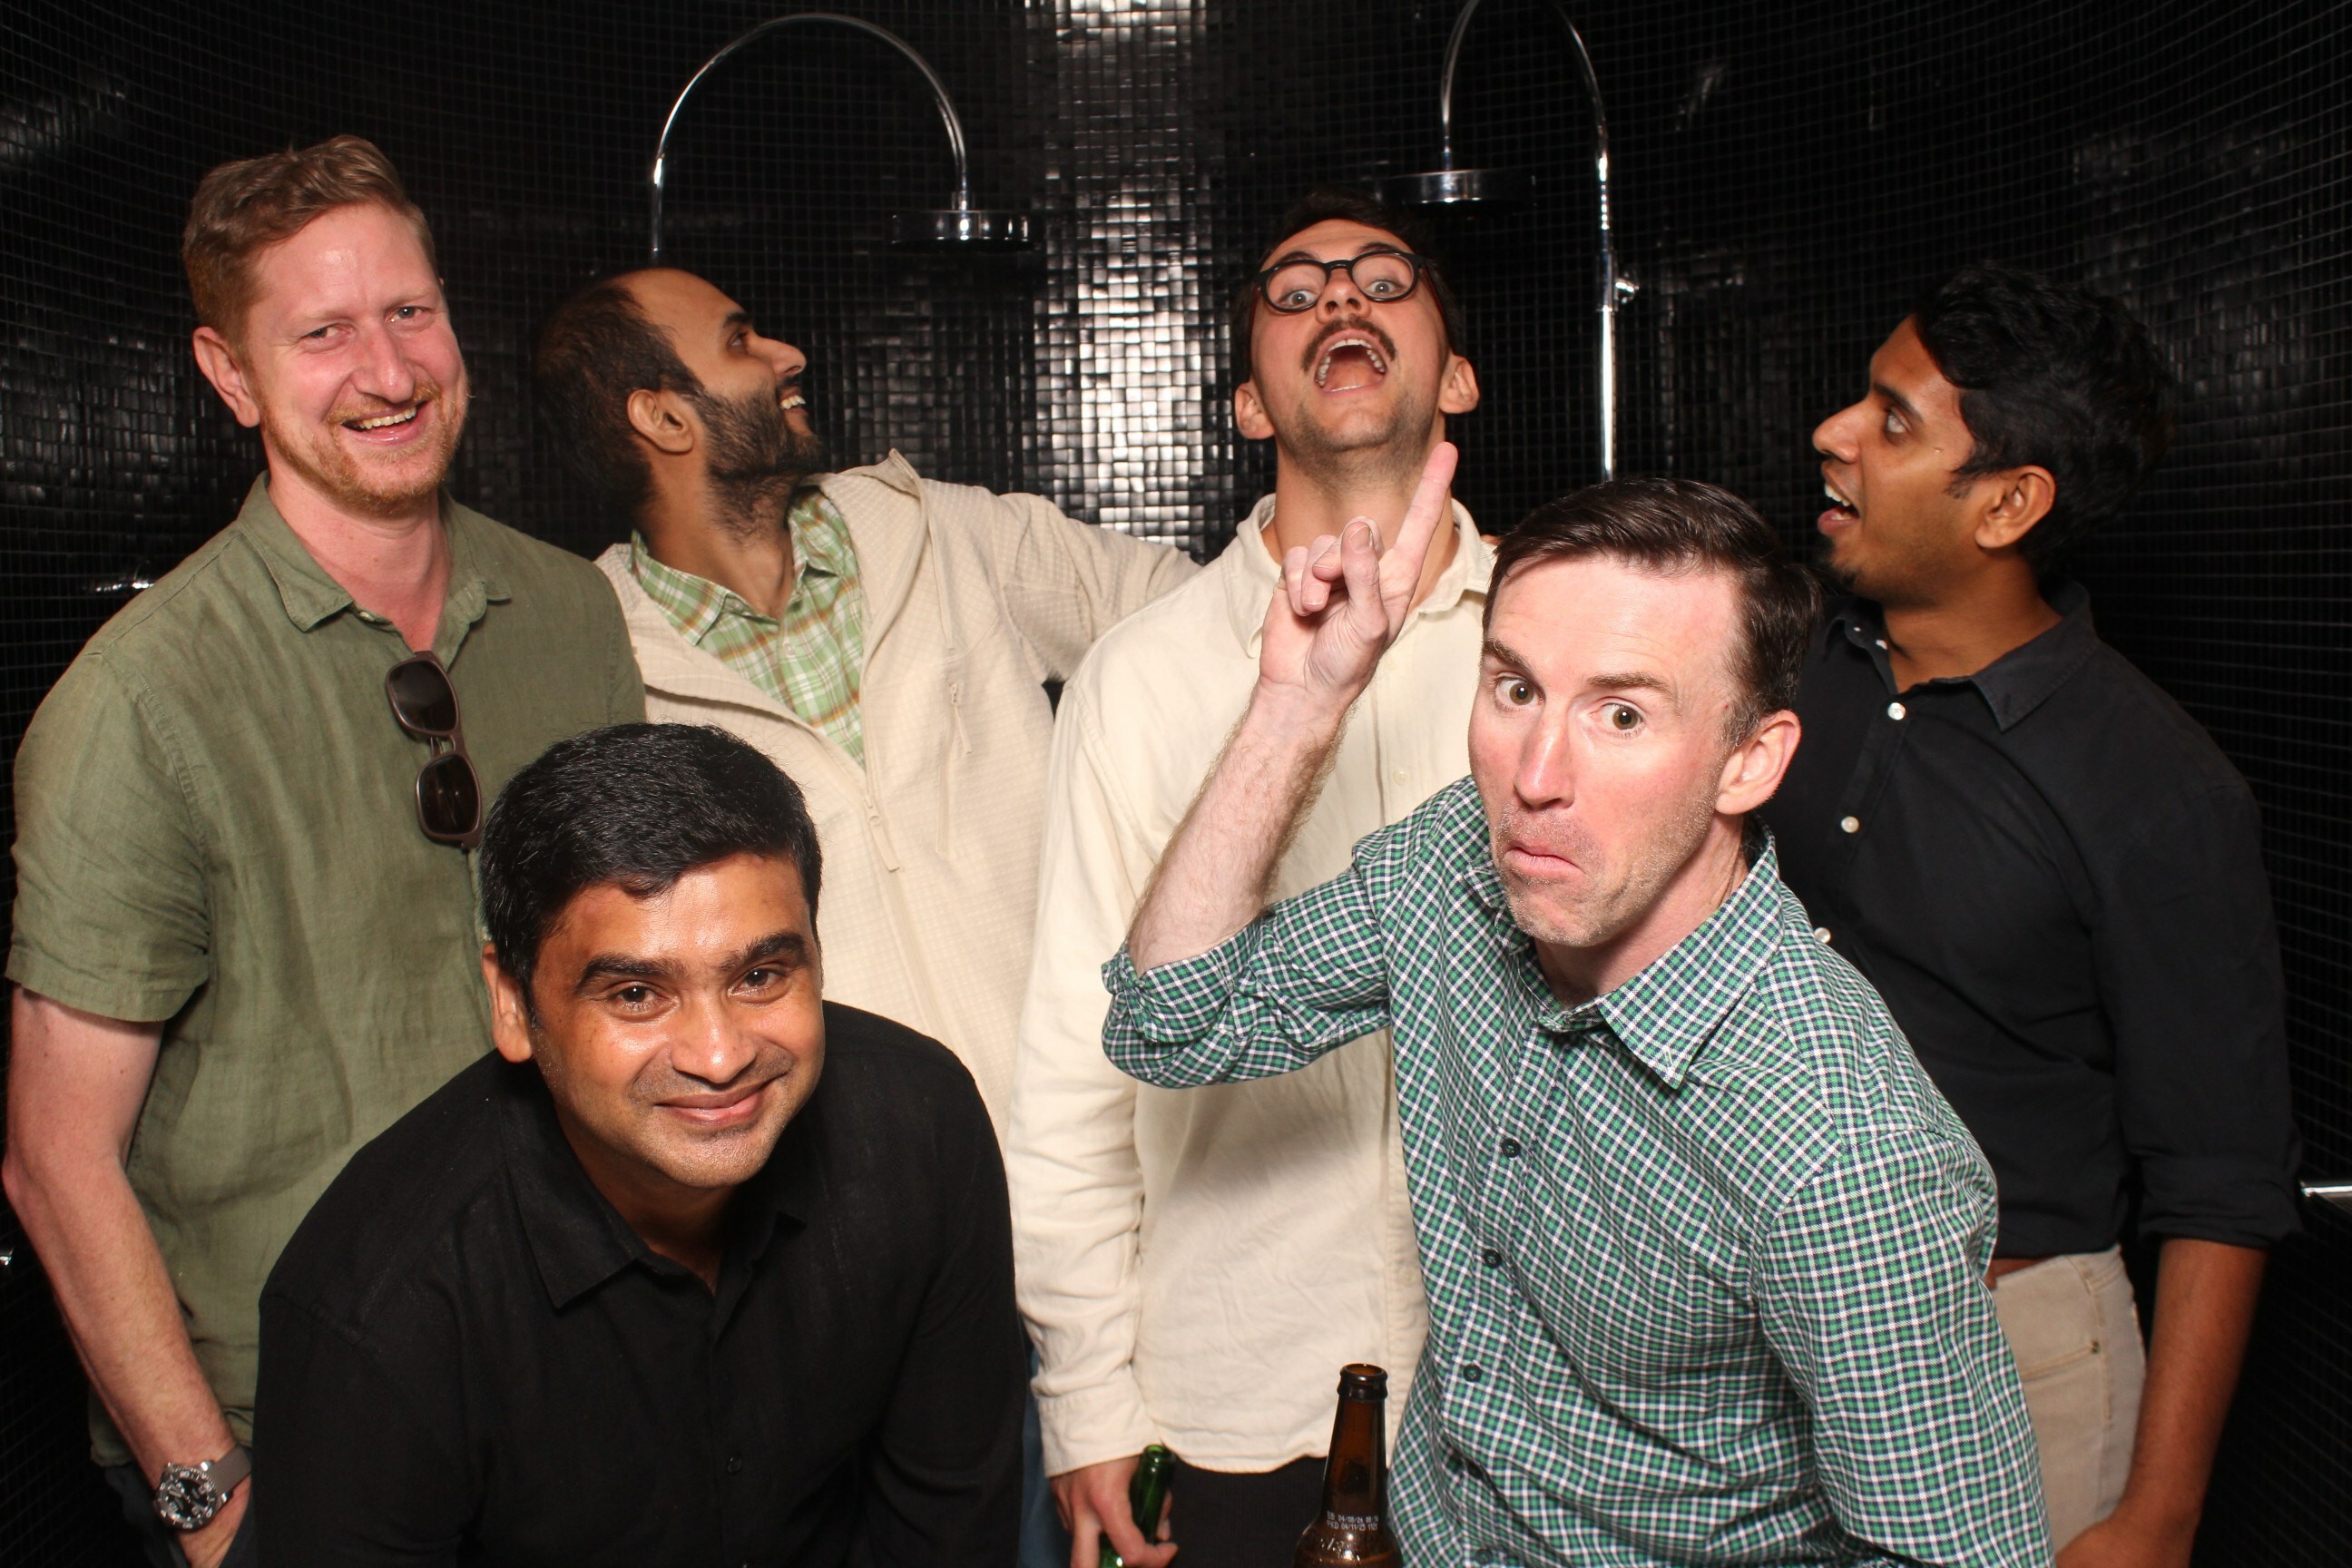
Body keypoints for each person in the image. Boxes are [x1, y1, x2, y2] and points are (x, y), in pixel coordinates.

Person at [1102, 454, 2052, 1566]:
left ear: (1750, 763)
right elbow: (1171, 1022)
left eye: (1622, 715)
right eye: (1516, 691)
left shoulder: (1842, 1151)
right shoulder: (1457, 868)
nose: (1535, 777)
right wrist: (1297, 705)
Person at [1, 137, 642, 1568]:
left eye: (411, 312)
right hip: (300, 1443)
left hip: (573, 1392)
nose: (389, 370)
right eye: (324, 332)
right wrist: (215, 1506)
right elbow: (55, 1159)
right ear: (230, 375)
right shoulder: (141, 701)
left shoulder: (568, 613)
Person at [1763, 264, 2301, 1563]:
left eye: (1894, 421)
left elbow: (2221, 1182)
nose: (1835, 432)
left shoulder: (2155, 788)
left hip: (2014, 1364)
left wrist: (2158, 1516)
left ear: (2009, 503)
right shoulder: (1780, 660)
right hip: (1764, 1338)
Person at [1006, 188, 1484, 1568]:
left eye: (1384, 279)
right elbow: (1073, 1064)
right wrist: (1086, 1392)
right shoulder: (1141, 676)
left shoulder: (1557, 640)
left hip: (1528, 1384)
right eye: (1294, 289)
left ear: (1456, 378)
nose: (1339, 296)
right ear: (1249, 406)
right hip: (1234, 1380)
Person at [255, 722, 1020, 1564]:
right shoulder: (375, 1309)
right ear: (512, 1004)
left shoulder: (918, 1128)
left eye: (760, 976)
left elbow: (950, 1531)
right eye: (634, 994)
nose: (720, 1057)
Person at [532, 269, 1196, 1131]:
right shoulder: (603, 662)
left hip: (1100, 1129)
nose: (787, 355)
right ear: (663, 418)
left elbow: (1204, 623)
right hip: (871, 1167)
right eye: (740, 341)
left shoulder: (943, 534)